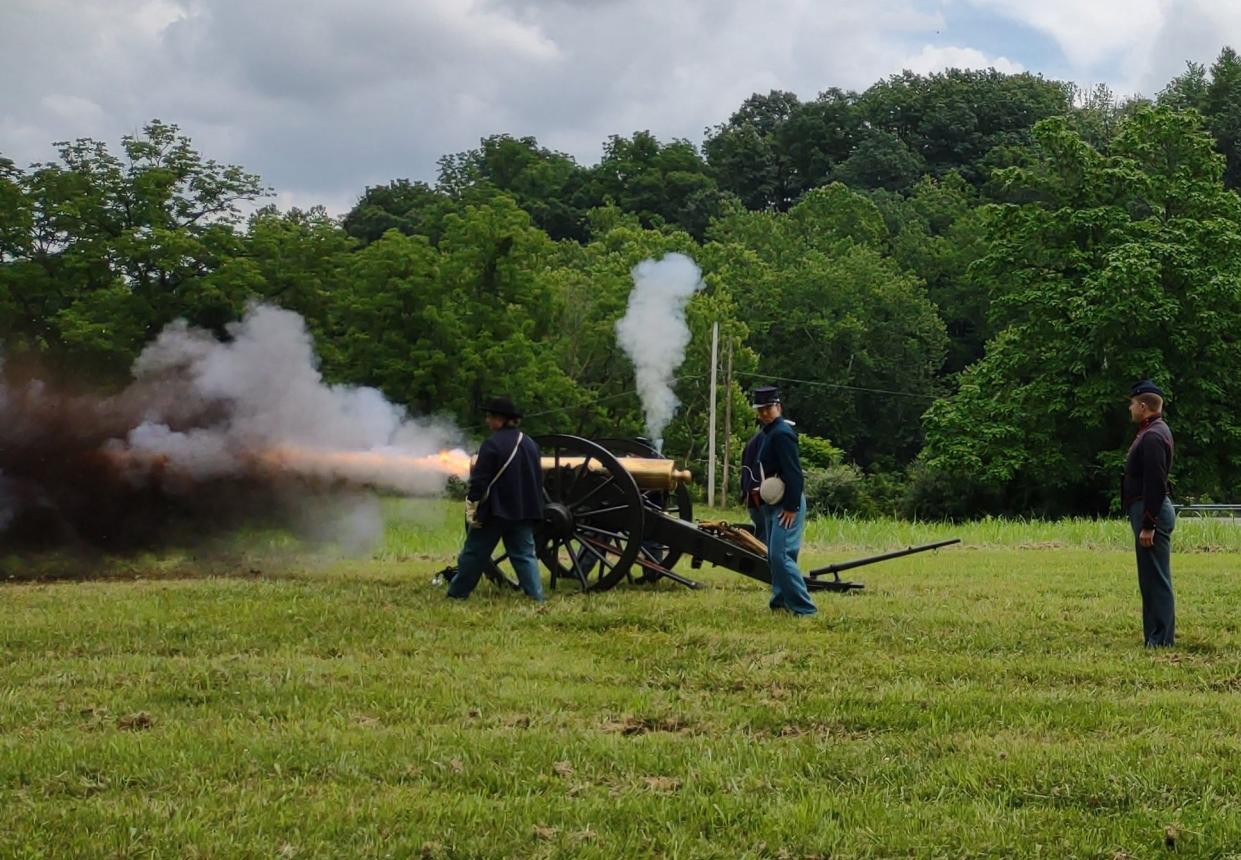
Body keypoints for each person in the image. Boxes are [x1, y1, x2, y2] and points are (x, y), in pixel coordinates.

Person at [446, 395, 545, 602]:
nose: (487, 421)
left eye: (490, 416)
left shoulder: (491, 445)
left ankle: (457, 594)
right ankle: (536, 597)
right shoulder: (529, 443)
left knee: (474, 554)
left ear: (500, 419)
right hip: (524, 510)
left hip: (495, 510)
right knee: (525, 555)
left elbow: (480, 481)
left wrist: (472, 505)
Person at [751, 385, 817, 616]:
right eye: (761, 409)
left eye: (768, 408)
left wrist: (791, 506)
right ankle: (780, 601)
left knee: (780, 556)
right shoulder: (770, 432)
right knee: (773, 556)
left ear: (778, 406)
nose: (764, 413)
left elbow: (794, 473)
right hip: (773, 501)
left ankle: (805, 608)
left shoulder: (782, 433)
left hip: (786, 502)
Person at [1122, 379, 1176, 647]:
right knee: (1150, 577)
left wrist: (1149, 523)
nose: (1130, 409)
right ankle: (1154, 636)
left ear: (1143, 406)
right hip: (1146, 508)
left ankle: (1161, 639)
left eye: (1132, 404)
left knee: (1156, 579)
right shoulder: (1152, 431)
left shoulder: (1153, 435)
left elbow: (1155, 481)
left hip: (1150, 510)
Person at [739, 417, 768, 545]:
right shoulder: (768, 439)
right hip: (762, 495)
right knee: (766, 537)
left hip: (752, 495)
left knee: (762, 532)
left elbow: (744, 470)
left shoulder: (751, 442)